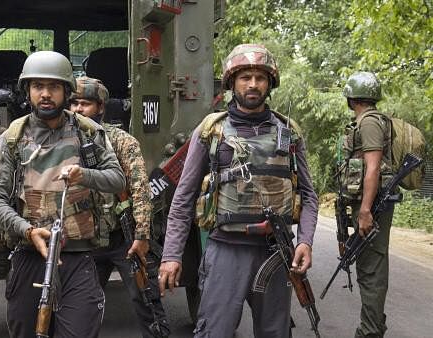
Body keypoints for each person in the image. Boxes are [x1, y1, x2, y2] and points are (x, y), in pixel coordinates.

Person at [158, 43, 319, 338]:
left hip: (275, 252)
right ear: (232, 82)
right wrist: (171, 255)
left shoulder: (289, 131)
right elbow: (182, 199)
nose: (253, 84)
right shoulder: (211, 130)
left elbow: (308, 195)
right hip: (225, 251)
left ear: (270, 83)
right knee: (214, 332)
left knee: (275, 332)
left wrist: (305, 241)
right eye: (245, 77)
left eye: (261, 77)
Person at [0, 51, 126, 338]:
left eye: (54, 87)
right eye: (38, 86)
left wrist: (83, 174)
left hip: (77, 256)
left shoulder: (89, 132)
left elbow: (116, 179)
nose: (45, 94)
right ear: (28, 91)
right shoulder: (13, 136)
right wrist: (27, 231)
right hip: (28, 256)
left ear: (66, 91)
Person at [70, 76, 170, 338]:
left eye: (86, 104)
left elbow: (140, 190)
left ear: (100, 107)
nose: (78, 110)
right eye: (74, 104)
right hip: (83, 242)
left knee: (146, 299)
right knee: (79, 312)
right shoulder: (61, 141)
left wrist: (141, 237)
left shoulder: (122, 141)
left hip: (121, 239)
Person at [341, 71, 393, 338]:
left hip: (371, 206)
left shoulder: (370, 122)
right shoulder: (365, 121)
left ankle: (370, 332)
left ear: (351, 97)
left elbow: (372, 168)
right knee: (368, 266)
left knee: (371, 270)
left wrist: (364, 210)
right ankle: (374, 327)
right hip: (368, 204)